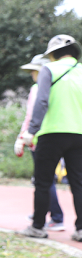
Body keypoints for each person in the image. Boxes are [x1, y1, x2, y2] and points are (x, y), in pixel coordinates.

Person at [19, 35, 82, 241]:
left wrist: (31, 130)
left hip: (52, 133)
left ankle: (38, 227)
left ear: (52, 54)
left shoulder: (49, 69)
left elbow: (41, 101)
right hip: (79, 134)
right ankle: (81, 229)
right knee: (78, 183)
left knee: (43, 182)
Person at [13, 54, 65, 231]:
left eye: (34, 71)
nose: (32, 75)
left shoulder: (37, 88)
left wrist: (22, 137)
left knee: (43, 181)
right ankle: (44, 214)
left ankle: (54, 218)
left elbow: (30, 116)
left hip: (40, 138)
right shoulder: (59, 86)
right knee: (48, 180)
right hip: (62, 135)